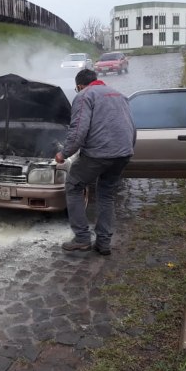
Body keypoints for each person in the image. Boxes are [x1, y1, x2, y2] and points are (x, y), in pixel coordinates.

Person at [55, 69, 136, 255]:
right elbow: (131, 126)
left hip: (99, 153)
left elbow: (78, 131)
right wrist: (128, 151)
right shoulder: (120, 95)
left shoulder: (84, 95)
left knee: (74, 186)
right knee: (106, 194)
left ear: (79, 86)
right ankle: (103, 243)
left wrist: (64, 153)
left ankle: (82, 238)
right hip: (123, 153)